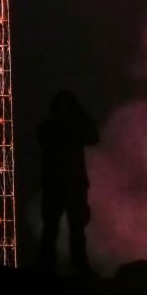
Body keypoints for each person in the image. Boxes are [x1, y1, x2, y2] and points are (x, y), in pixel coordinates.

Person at [38, 90, 100, 274]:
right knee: (73, 228)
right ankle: (77, 267)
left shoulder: (47, 128)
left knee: (55, 228)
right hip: (71, 183)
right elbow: (93, 137)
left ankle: (48, 267)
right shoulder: (70, 128)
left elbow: (93, 138)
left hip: (56, 184)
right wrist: (80, 115)